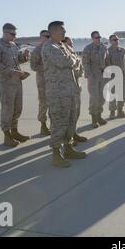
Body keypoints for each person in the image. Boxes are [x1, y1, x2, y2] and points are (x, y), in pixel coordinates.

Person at [42, 22, 87, 168]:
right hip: (58, 93)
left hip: (70, 90)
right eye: (62, 30)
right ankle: (56, 153)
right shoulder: (49, 47)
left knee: (70, 120)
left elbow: (75, 62)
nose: (64, 32)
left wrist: (73, 60)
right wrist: (74, 60)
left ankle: (68, 148)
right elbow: (66, 61)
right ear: (54, 31)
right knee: (59, 122)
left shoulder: (63, 46)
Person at [0, 23, 31, 147]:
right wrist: (13, 72)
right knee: (8, 108)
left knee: (18, 108)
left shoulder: (13, 45)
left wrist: (24, 57)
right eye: (12, 34)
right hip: (6, 82)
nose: (15, 36)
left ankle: (15, 131)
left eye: (15, 34)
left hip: (17, 81)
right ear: (4, 32)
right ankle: (7, 136)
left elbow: (18, 61)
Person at [62, 37, 88, 145]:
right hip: (67, 89)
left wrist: (78, 72)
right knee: (67, 115)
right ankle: (67, 138)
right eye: (69, 44)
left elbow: (81, 69)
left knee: (76, 113)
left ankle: (74, 133)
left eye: (72, 44)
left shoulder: (74, 54)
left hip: (76, 87)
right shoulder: (63, 55)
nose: (71, 45)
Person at [82, 31, 109, 128]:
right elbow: (85, 62)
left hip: (102, 76)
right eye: (96, 37)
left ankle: (99, 116)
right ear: (92, 38)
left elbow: (107, 61)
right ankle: (94, 119)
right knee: (94, 98)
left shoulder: (103, 47)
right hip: (93, 76)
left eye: (99, 37)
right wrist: (89, 75)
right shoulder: (88, 48)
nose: (98, 39)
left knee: (101, 98)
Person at [30, 30, 51, 136]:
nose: (48, 38)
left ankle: (54, 125)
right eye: (45, 36)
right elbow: (33, 66)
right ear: (41, 37)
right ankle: (43, 125)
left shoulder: (52, 48)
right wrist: (46, 68)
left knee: (54, 103)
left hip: (54, 81)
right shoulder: (37, 50)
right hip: (43, 81)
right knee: (43, 103)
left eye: (49, 36)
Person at [105, 35, 125, 120]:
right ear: (110, 41)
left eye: (117, 39)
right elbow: (106, 65)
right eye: (114, 40)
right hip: (112, 76)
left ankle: (120, 111)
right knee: (113, 95)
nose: (116, 41)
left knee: (122, 94)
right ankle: (112, 112)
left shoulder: (122, 50)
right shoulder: (108, 51)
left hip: (121, 75)